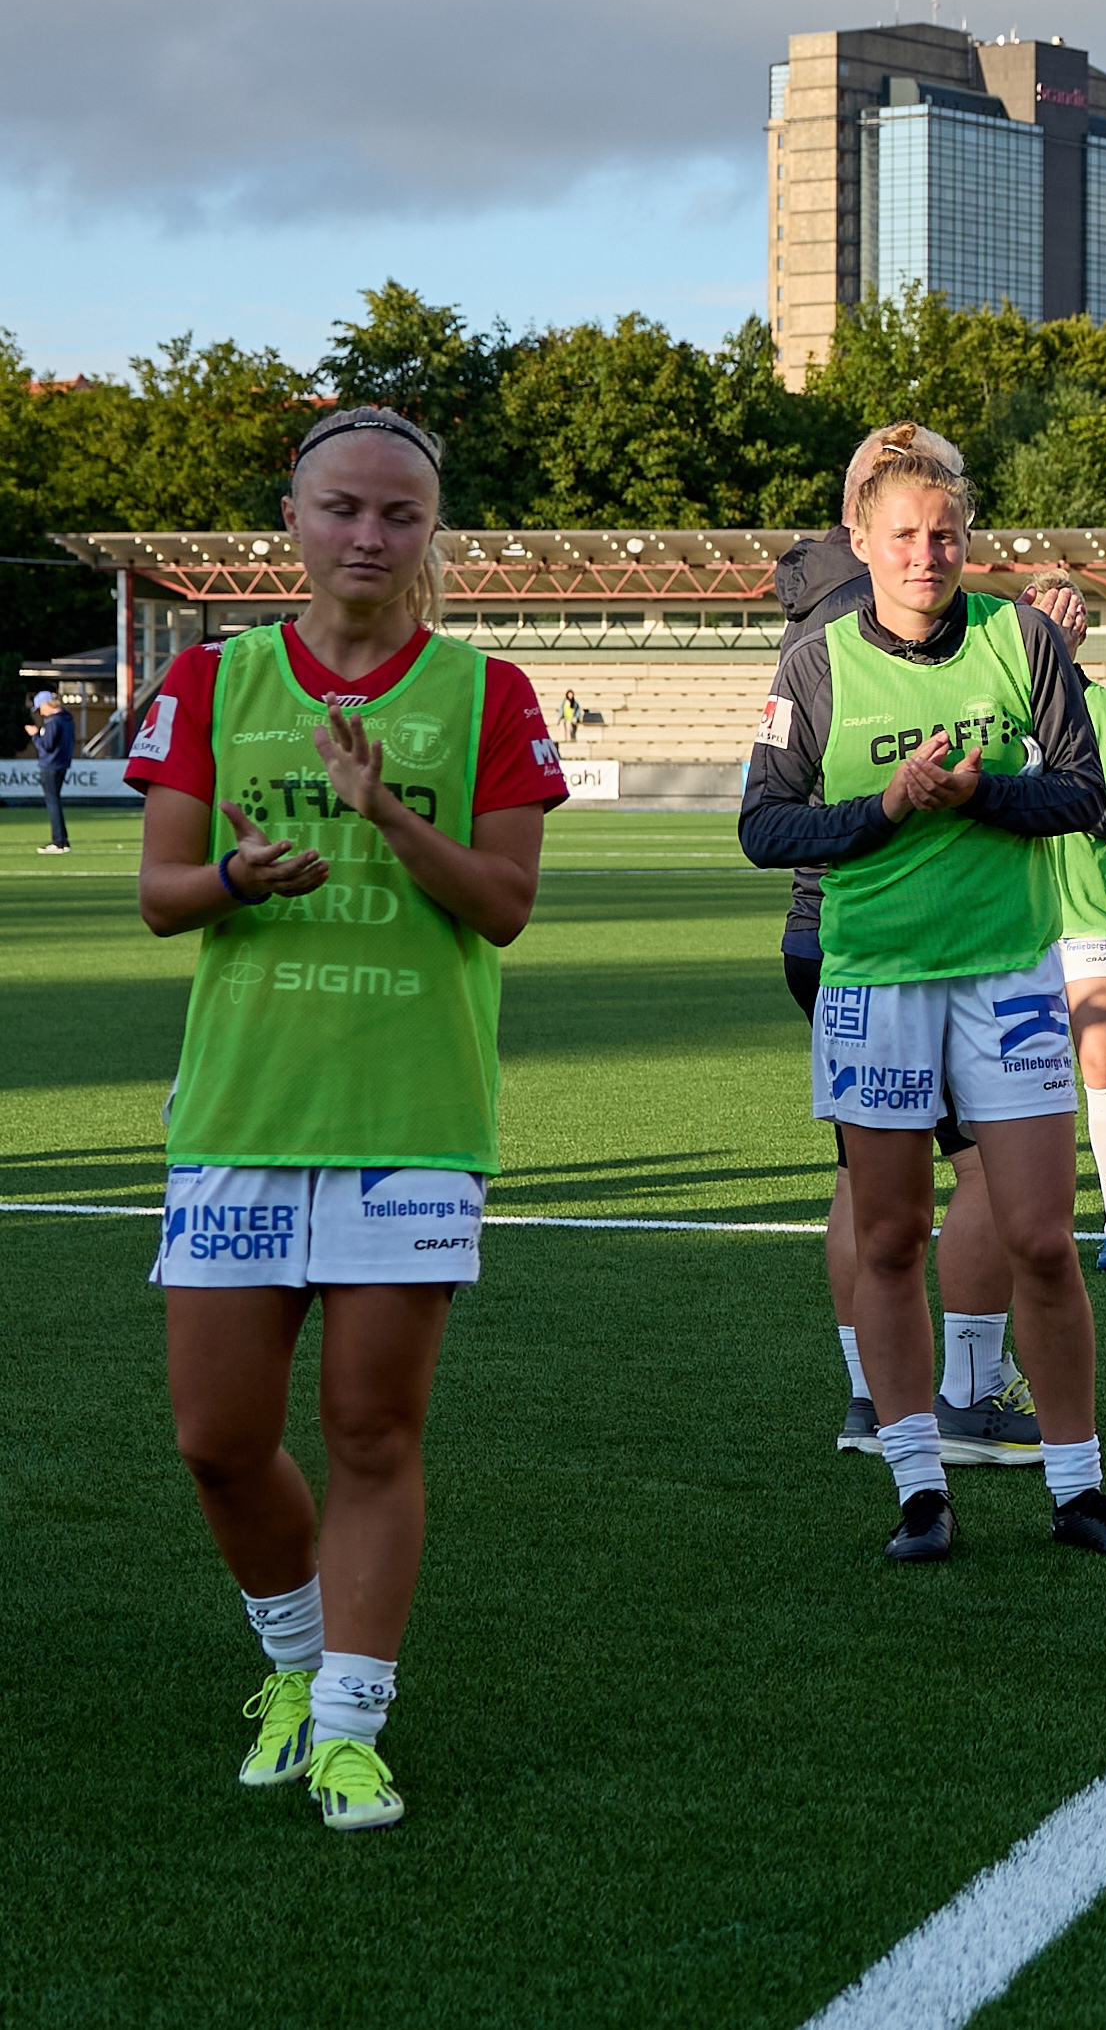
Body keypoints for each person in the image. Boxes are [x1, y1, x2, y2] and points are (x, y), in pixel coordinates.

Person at [127, 406, 571, 1831]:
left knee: (373, 1430)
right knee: (215, 1433)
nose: (367, 535)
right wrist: (243, 877)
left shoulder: (488, 691)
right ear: (295, 515)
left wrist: (387, 815)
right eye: (341, 508)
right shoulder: (213, 679)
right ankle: (296, 1667)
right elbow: (159, 896)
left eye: (397, 513)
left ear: (431, 531)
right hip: (246, 1108)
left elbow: (502, 909)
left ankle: (352, 1725)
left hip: (412, 1111)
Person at [741, 423, 1106, 1565]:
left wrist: (981, 795)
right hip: (871, 978)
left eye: (946, 534)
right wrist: (884, 808)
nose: (928, 554)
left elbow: (1084, 793)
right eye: (905, 536)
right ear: (863, 543)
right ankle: (919, 1485)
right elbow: (763, 824)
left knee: (1039, 1233)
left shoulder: (1021, 636)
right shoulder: (816, 661)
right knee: (888, 1235)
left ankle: (1078, 1486)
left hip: (1009, 973)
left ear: (968, 539)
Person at [1021, 570, 1106, 1274]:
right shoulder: (1001, 707)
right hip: (1011, 918)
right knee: (1026, 1077)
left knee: (1098, 1063)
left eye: (1061, 619)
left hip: (1088, 916)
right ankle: (1031, 1216)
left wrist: (1047, 788)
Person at [30, 687, 75, 852]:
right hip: (62, 763)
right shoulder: (67, 719)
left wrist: (35, 735)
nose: (41, 712)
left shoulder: (53, 721)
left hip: (51, 765)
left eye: (41, 708)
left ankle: (59, 841)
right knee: (54, 801)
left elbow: (46, 745)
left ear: (47, 704)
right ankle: (61, 840)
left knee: (53, 803)